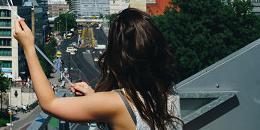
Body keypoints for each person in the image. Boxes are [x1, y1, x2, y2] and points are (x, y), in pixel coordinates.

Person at [13, 8, 182, 130]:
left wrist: (28, 47)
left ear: (118, 56)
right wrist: (95, 98)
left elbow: (50, 104)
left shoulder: (117, 103)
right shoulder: (167, 91)